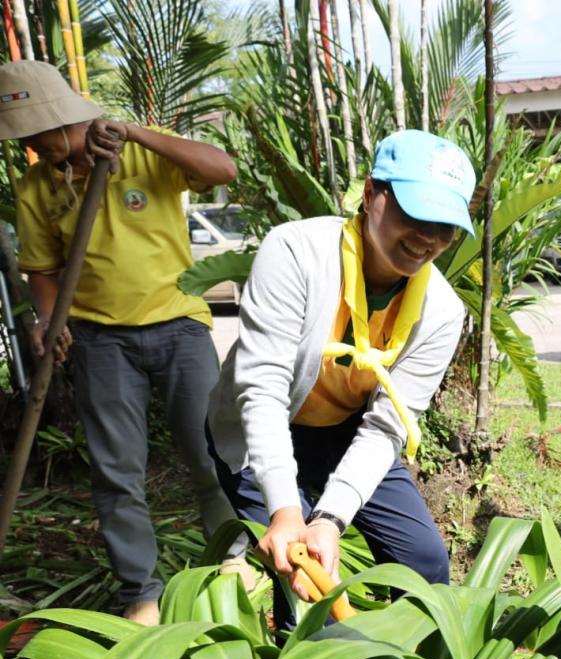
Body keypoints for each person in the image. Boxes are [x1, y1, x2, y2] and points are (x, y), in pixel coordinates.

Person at [0, 60, 238, 626]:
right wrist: (47, 320)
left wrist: (134, 133)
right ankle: (141, 593)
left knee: (211, 453)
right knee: (116, 471)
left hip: (179, 326)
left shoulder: (139, 152)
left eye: (36, 132)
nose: (32, 144)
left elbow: (221, 168)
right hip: (102, 340)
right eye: (25, 137)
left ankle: (233, 559)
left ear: (63, 119)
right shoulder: (38, 186)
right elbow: (43, 269)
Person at [205, 129, 470, 626]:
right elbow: (260, 392)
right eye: (415, 214)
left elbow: (388, 426)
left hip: (346, 430)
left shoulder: (442, 311)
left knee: (424, 562)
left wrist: (329, 518)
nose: (428, 238)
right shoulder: (296, 253)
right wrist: (288, 512)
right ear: (371, 194)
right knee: (302, 578)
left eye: (446, 225)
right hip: (262, 428)